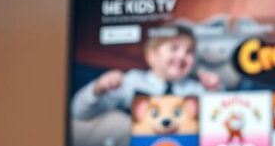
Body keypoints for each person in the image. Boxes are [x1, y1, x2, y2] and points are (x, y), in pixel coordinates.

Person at [71, 25, 220, 119]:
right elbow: (79, 112)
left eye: (189, 52)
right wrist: (99, 87)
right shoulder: (132, 81)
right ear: (152, 56)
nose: (182, 56)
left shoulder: (196, 89)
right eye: (174, 48)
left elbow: (217, 118)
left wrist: (214, 90)